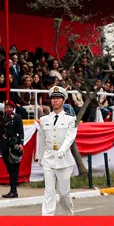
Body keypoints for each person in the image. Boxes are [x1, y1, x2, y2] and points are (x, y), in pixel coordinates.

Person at [37, 86, 77, 216]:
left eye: (58, 98)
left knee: (64, 194)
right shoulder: (44, 119)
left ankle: (68, 217)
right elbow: (42, 139)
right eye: (53, 98)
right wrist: (40, 156)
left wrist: (63, 150)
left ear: (63, 101)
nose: (55, 101)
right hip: (49, 158)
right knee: (49, 192)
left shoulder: (70, 119)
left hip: (64, 160)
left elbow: (70, 136)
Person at [0, 100, 25, 198]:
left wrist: (21, 143)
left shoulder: (17, 118)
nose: (8, 109)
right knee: (9, 169)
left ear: (13, 108)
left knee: (14, 168)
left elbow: (21, 132)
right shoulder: (2, 118)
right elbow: (0, 134)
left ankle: (13, 190)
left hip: (14, 146)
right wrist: (0, 147)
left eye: (10, 107)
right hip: (5, 146)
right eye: (6, 107)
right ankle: (13, 186)